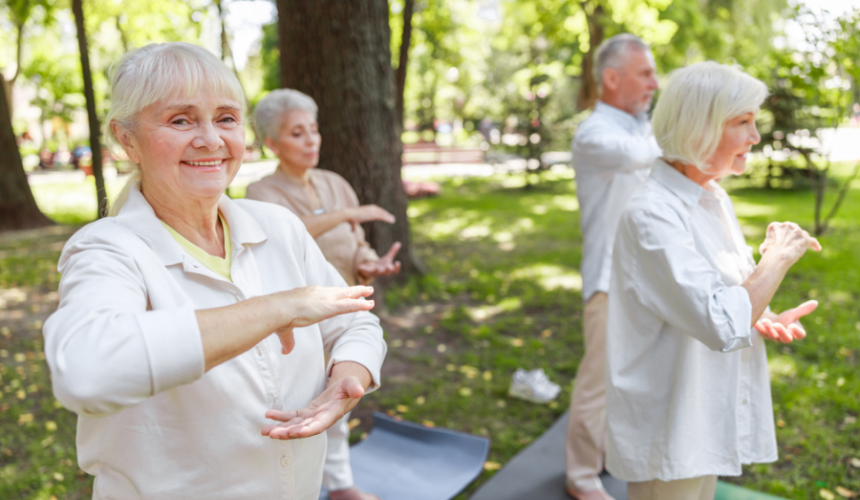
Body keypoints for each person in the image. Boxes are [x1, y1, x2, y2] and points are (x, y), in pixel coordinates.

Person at [42, 42, 387, 500]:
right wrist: (276, 308)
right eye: (180, 120)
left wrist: (350, 377)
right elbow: (86, 372)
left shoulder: (278, 227)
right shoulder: (106, 249)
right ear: (127, 140)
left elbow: (356, 319)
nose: (210, 139)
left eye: (226, 118)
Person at [605, 61, 821, 500]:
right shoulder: (652, 214)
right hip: (669, 424)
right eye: (743, 123)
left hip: (700, 416)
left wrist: (763, 314)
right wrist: (777, 258)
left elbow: (721, 300)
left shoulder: (711, 196)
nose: (755, 137)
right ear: (698, 128)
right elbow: (721, 320)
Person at [246, 89, 399, 500]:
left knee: (341, 394)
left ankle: (341, 486)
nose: (312, 140)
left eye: (314, 130)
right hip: (295, 320)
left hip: (344, 307)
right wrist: (349, 213)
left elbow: (356, 240)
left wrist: (369, 261)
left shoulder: (335, 183)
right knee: (302, 399)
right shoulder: (261, 194)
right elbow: (288, 233)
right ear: (273, 144)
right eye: (297, 133)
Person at [566, 33, 661, 500]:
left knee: (632, 379)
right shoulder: (594, 132)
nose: (654, 83)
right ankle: (581, 476)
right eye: (645, 73)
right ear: (611, 78)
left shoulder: (640, 126)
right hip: (608, 279)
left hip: (645, 278)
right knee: (598, 381)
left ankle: (604, 456)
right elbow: (640, 158)